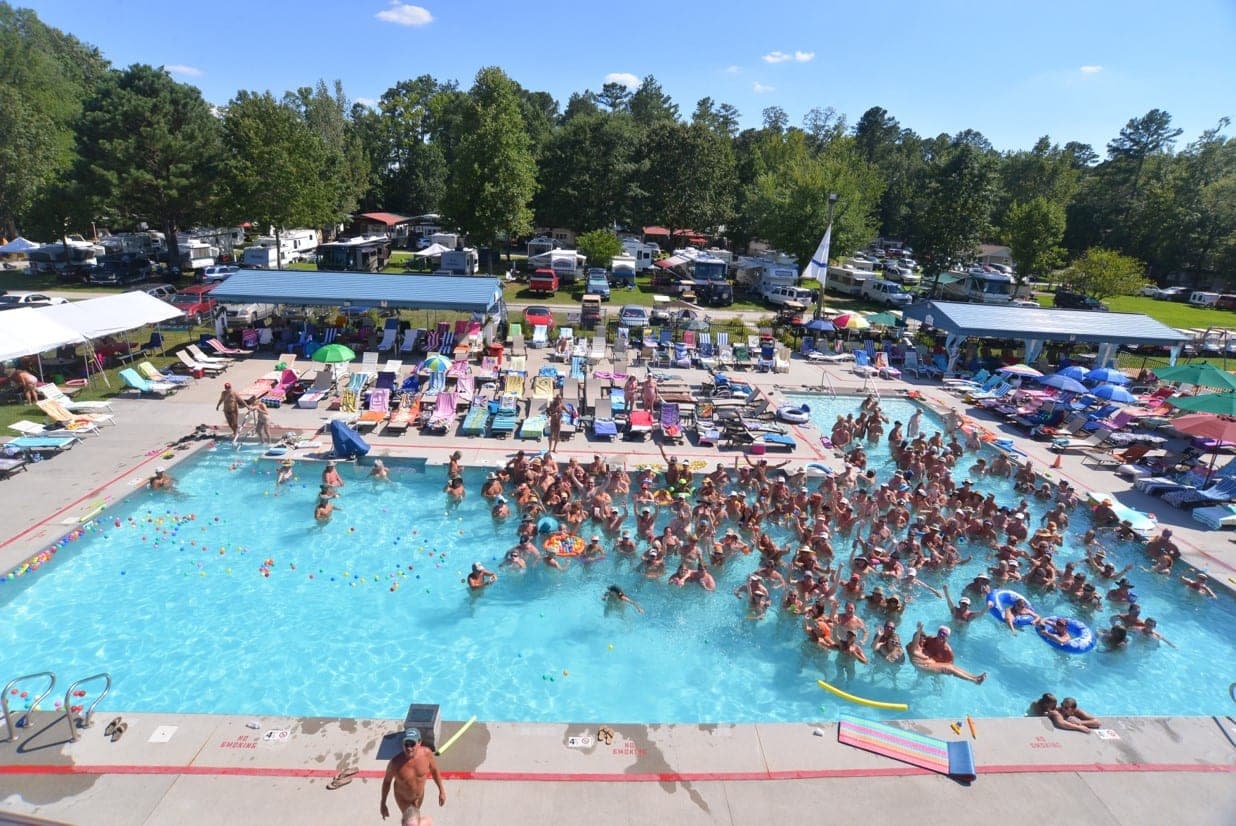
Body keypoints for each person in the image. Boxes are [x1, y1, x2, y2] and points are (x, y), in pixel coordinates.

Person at [380, 727, 445, 822]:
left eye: (412, 744)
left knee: (415, 819)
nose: (409, 748)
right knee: (410, 821)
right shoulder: (395, 763)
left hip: (419, 797)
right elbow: (387, 782)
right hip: (403, 799)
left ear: (419, 742)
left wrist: (441, 790)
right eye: (406, 744)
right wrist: (383, 803)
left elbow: (434, 771)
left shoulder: (427, 754)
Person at [909, 622, 986, 684]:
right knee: (949, 668)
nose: (941, 637)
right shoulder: (929, 640)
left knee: (951, 667)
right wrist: (919, 631)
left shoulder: (948, 651)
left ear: (947, 638)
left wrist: (941, 669)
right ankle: (974, 680)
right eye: (940, 634)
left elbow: (951, 666)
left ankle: (974, 677)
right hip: (925, 666)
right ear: (937, 633)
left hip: (933, 666)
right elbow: (919, 641)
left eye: (944, 635)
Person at [1028, 693, 1099, 733]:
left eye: (1066, 707)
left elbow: (1097, 722)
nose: (1062, 708)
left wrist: (1080, 722)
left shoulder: (1077, 712)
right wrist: (1078, 727)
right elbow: (1061, 723)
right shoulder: (1056, 712)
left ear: (1073, 709)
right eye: (1062, 705)